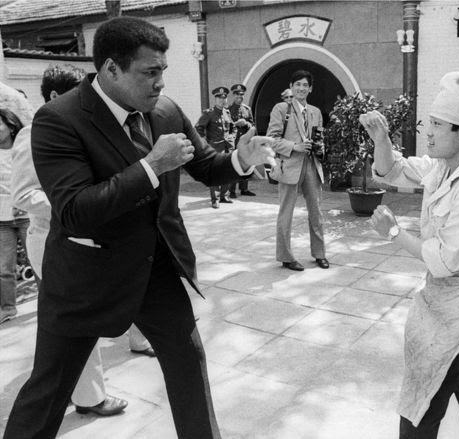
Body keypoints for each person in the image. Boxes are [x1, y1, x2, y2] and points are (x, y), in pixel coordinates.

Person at [3, 16, 274, 439]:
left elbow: (204, 165)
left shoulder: (165, 110)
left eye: (163, 70)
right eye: (150, 72)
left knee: (188, 362)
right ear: (111, 69)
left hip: (156, 269)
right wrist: (151, 167)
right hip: (84, 276)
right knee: (48, 389)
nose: (160, 82)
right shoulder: (59, 119)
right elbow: (74, 209)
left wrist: (241, 159)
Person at [360, 72, 459, 438]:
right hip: (450, 303)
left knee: (423, 396)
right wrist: (381, 139)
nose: (428, 131)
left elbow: (443, 261)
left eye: (438, 125)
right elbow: (391, 169)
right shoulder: (443, 167)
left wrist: (394, 232)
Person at [11, 64, 155, 417]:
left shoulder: (91, 125)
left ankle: (139, 339)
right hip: (55, 240)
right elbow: (24, 194)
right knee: (78, 323)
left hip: (101, 235)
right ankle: (90, 397)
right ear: (58, 96)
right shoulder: (36, 132)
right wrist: (76, 208)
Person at [267, 70, 329, 271]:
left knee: (316, 213)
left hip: (312, 166)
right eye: (298, 84)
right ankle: (285, 257)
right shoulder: (281, 109)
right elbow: (272, 139)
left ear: (310, 89)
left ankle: (319, 254)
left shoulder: (315, 112)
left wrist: (321, 149)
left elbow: (319, 139)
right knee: (286, 213)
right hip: (290, 166)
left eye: (305, 85)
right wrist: (295, 146)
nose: (301, 88)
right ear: (292, 87)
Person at [0, 107, 27, 325]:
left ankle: (50, 302)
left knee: (40, 262)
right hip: (2, 219)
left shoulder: (23, 148)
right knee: (3, 267)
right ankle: (8, 308)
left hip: (26, 214)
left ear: (10, 126)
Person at [195, 86, 236, 207]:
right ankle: (215, 199)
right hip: (215, 148)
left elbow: (233, 127)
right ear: (215, 99)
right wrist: (205, 143)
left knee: (227, 172)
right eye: (219, 98)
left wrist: (232, 137)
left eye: (224, 98)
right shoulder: (209, 113)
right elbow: (198, 128)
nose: (222, 100)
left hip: (228, 147)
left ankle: (225, 196)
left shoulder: (227, 112)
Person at [227, 83, 256, 198]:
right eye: (237, 95)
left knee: (245, 164)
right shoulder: (228, 110)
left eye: (242, 95)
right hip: (233, 142)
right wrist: (235, 123)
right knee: (234, 165)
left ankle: (244, 189)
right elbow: (226, 127)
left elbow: (253, 126)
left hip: (245, 142)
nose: (240, 97)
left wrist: (246, 123)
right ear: (233, 96)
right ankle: (232, 191)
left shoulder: (247, 109)